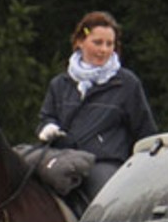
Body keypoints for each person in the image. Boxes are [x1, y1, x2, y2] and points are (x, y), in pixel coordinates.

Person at [37, 10, 158, 203]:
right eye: (97, 43)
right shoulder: (59, 84)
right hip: (63, 158)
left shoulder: (126, 84)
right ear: (79, 42)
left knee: (104, 201)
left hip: (104, 164)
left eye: (109, 44)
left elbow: (145, 133)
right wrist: (48, 128)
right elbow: (46, 117)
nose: (103, 50)